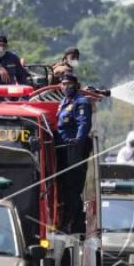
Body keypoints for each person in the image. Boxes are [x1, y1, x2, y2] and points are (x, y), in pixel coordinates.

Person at [55, 73, 92, 233]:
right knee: (63, 186)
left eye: (68, 84)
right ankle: (69, 220)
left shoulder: (81, 101)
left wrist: (78, 142)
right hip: (62, 148)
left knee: (73, 187)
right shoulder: (64, 101)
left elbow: (83, 123)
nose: (65, 87)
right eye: (63, 84)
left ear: (76, 85)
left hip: (73, 148)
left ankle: (72, 222)